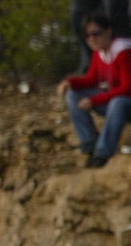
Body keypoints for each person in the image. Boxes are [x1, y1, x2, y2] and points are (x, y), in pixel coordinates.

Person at [56, 11, 131, 165]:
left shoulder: (123, 52)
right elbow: (91, 79)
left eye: (96, 33)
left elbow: (127, 88)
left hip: (124, 104)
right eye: (88, 36)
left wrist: (94, 99)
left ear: (108, 31)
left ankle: (103, 153)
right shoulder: (100, 53)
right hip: (113, 101)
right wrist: (69, 82)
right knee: (73, 95)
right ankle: (89, 142)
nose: (92, 39)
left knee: (118, 102)